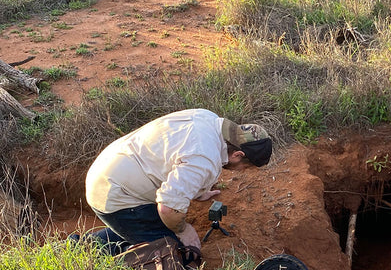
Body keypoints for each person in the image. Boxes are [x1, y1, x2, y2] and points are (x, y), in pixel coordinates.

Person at [84, 108, 272, 254]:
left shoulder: (208, 118)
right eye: (245, 167)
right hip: (116, 194)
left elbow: (182, 155)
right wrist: (183, 230)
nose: (241, 172)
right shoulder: (203, 158)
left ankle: (82, 245)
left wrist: (199, 190)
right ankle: (91, 255)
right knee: (175, 255)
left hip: (111, 166)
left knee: (149, 228)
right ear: (238, 155)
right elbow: (167, 208)